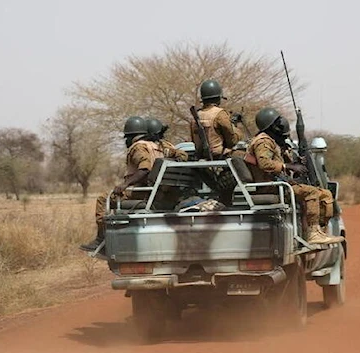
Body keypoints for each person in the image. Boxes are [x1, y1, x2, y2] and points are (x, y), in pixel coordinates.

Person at [79, 116, 187, 252]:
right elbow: (182, 155)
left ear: (132, 136)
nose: (126, 141)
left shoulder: (139, 147)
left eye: (127, 137)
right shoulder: (162, 146)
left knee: (103, 199)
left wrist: (125, 185)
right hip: (159, 192)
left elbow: (144, 169)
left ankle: (101, 240)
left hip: (143, 192)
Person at [246, 107, 340, 245]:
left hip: (281, 184)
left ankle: (319, 231)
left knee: (325, 194)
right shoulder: (263, 141)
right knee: (311, 192)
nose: (281, 125)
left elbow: (277, 162)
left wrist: (295, 163)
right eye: (276, 123)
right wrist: (288, 166)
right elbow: (264, 163)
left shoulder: (273, 141)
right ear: (271, 126)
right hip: (272, 187)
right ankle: (312, 234)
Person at [191, 79, 243, 160]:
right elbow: (231, 142)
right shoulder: (220, 114)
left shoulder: (196, 117)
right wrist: (236, 130)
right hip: (220, 155)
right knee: (249, 158)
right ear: (218, 98)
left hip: (201, 156)